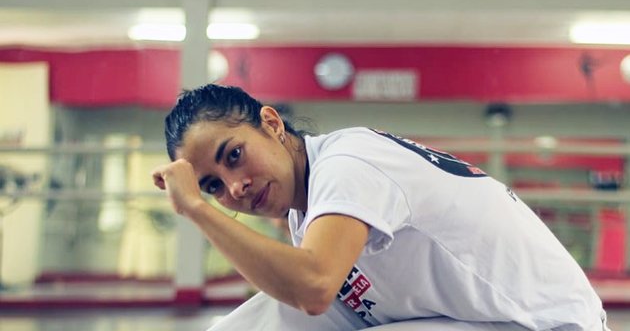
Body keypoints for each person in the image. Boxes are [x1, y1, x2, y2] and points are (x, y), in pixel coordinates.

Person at [152, 84, 609, 331]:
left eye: (234, 155)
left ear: (271, 124)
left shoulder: (347, 163)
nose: (235, 187)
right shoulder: (304, 213)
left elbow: (313, 286)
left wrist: (196, 206)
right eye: (213, 185)